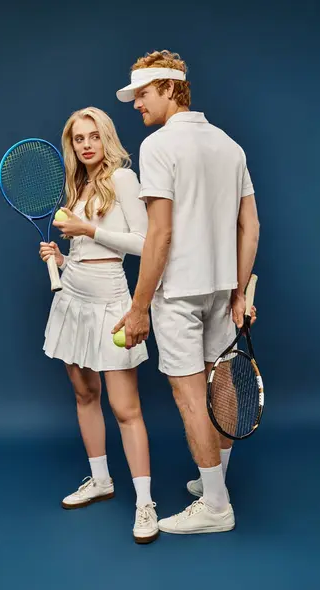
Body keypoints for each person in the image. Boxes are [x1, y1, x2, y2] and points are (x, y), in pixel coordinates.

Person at [113, 51, 260, 535]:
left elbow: (159, 236)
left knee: (191, 396)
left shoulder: (158, 146)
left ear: (171, 89)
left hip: (176, 293)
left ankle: (216, 507)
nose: (136, 104)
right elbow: (251, 227)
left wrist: (138, 308)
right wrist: (238, 292)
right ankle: (214, 482)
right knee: (220, 387)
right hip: (221, 288)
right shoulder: (231, 146)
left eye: (143, 94)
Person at [39, 107, 158, 544]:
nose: (86, 144)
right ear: (72, 146)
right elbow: (89, 253)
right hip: (72, 298)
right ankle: (101, 480)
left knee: (126, 409)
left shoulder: (124, 179)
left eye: (93, 136)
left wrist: (86, 226)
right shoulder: (79, 185)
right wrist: (62, 257)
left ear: (106, 138)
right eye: (78, 139)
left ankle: (145, 503)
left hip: (111, 302)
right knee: (84, 394)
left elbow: (144, 244)